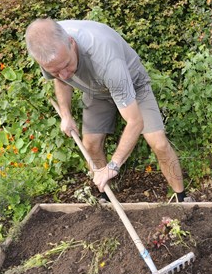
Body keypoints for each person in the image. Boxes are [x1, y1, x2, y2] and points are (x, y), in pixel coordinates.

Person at [25, 18, 191, 202]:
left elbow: (135, 122)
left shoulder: (105, 58)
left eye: (66, 66)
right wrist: (65, 114)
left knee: (158, 143)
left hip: (132, 84)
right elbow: (60, 80)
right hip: (95, 90)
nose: (64, 75)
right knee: (90, 145)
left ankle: (181, 198)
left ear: (71, 43)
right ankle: (106, 197)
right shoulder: (47, 48)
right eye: (56, 71)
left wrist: (113, 165)